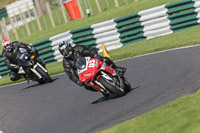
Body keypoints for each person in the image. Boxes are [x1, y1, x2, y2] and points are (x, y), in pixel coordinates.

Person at [58, 40, 126, 98]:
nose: (65, 52)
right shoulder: (65, 62)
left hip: (91, 62)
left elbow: (89, 50)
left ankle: (116, 69)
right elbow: (71, 74)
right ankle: (101, 90)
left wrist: (96, 56)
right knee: (86, 86)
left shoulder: (78, 48)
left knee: (104, 59)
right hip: (83, 71)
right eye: (63, 52)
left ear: (70, 47)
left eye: (66, 50)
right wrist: (78, 81)